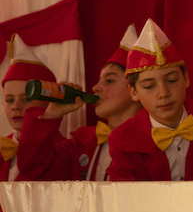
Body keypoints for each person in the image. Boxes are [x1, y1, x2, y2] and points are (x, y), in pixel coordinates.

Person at [106, 19, 193, 181]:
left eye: (171, 80)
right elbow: (123, 194)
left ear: (186, 78)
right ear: (134, 92)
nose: (163, 93)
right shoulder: (122, 140)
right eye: (149, 86)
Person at [17, 25, 142, 181]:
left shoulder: (154, 142)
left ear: (136, 89)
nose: (95, 88)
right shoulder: (84, 144)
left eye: (109, 80)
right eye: (99, 80)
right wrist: (52, 114)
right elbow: (33, 168)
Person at [1, 34, 54, 181]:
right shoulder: (2, 149)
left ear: (49, 102)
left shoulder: (62, 150)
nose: (16, 107)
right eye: (10, 100)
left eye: (26, 99)